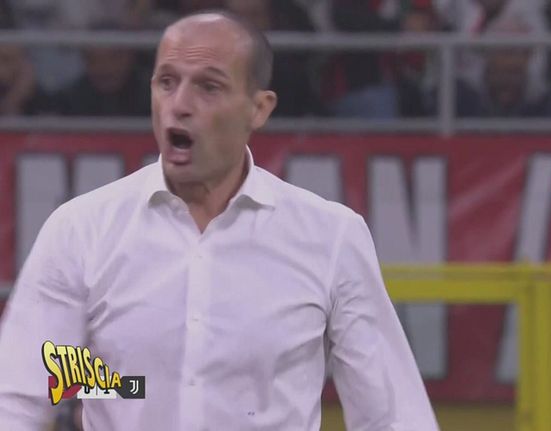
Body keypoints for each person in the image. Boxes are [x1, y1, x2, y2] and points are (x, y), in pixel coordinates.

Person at [0, 10, 438, 431]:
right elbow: (15, 399)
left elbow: (393, 417)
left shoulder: (331, 236)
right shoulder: (80, 230)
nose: (179, 105)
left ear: (259, 108)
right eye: (167, 82)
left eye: (209, 87)